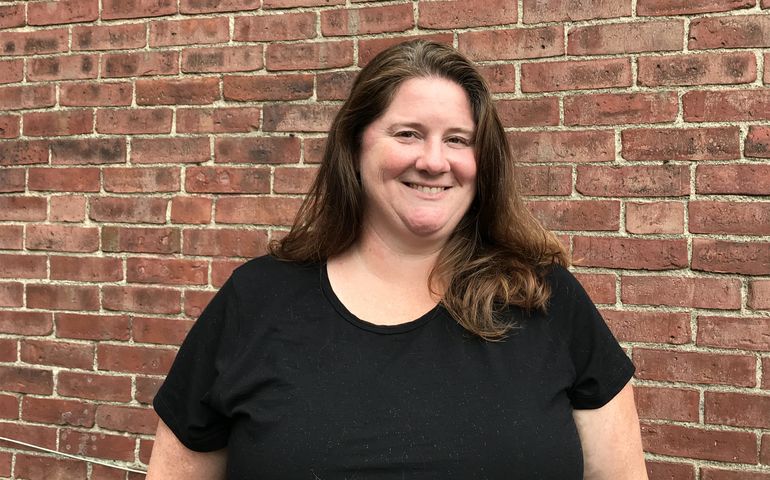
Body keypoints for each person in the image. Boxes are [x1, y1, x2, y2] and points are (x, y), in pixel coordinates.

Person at [147, 40, 648, 479]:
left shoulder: (546, 300)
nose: (433, 161)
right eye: (408, 133)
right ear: (355, 145)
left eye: (458, 139)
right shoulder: (256, 302)